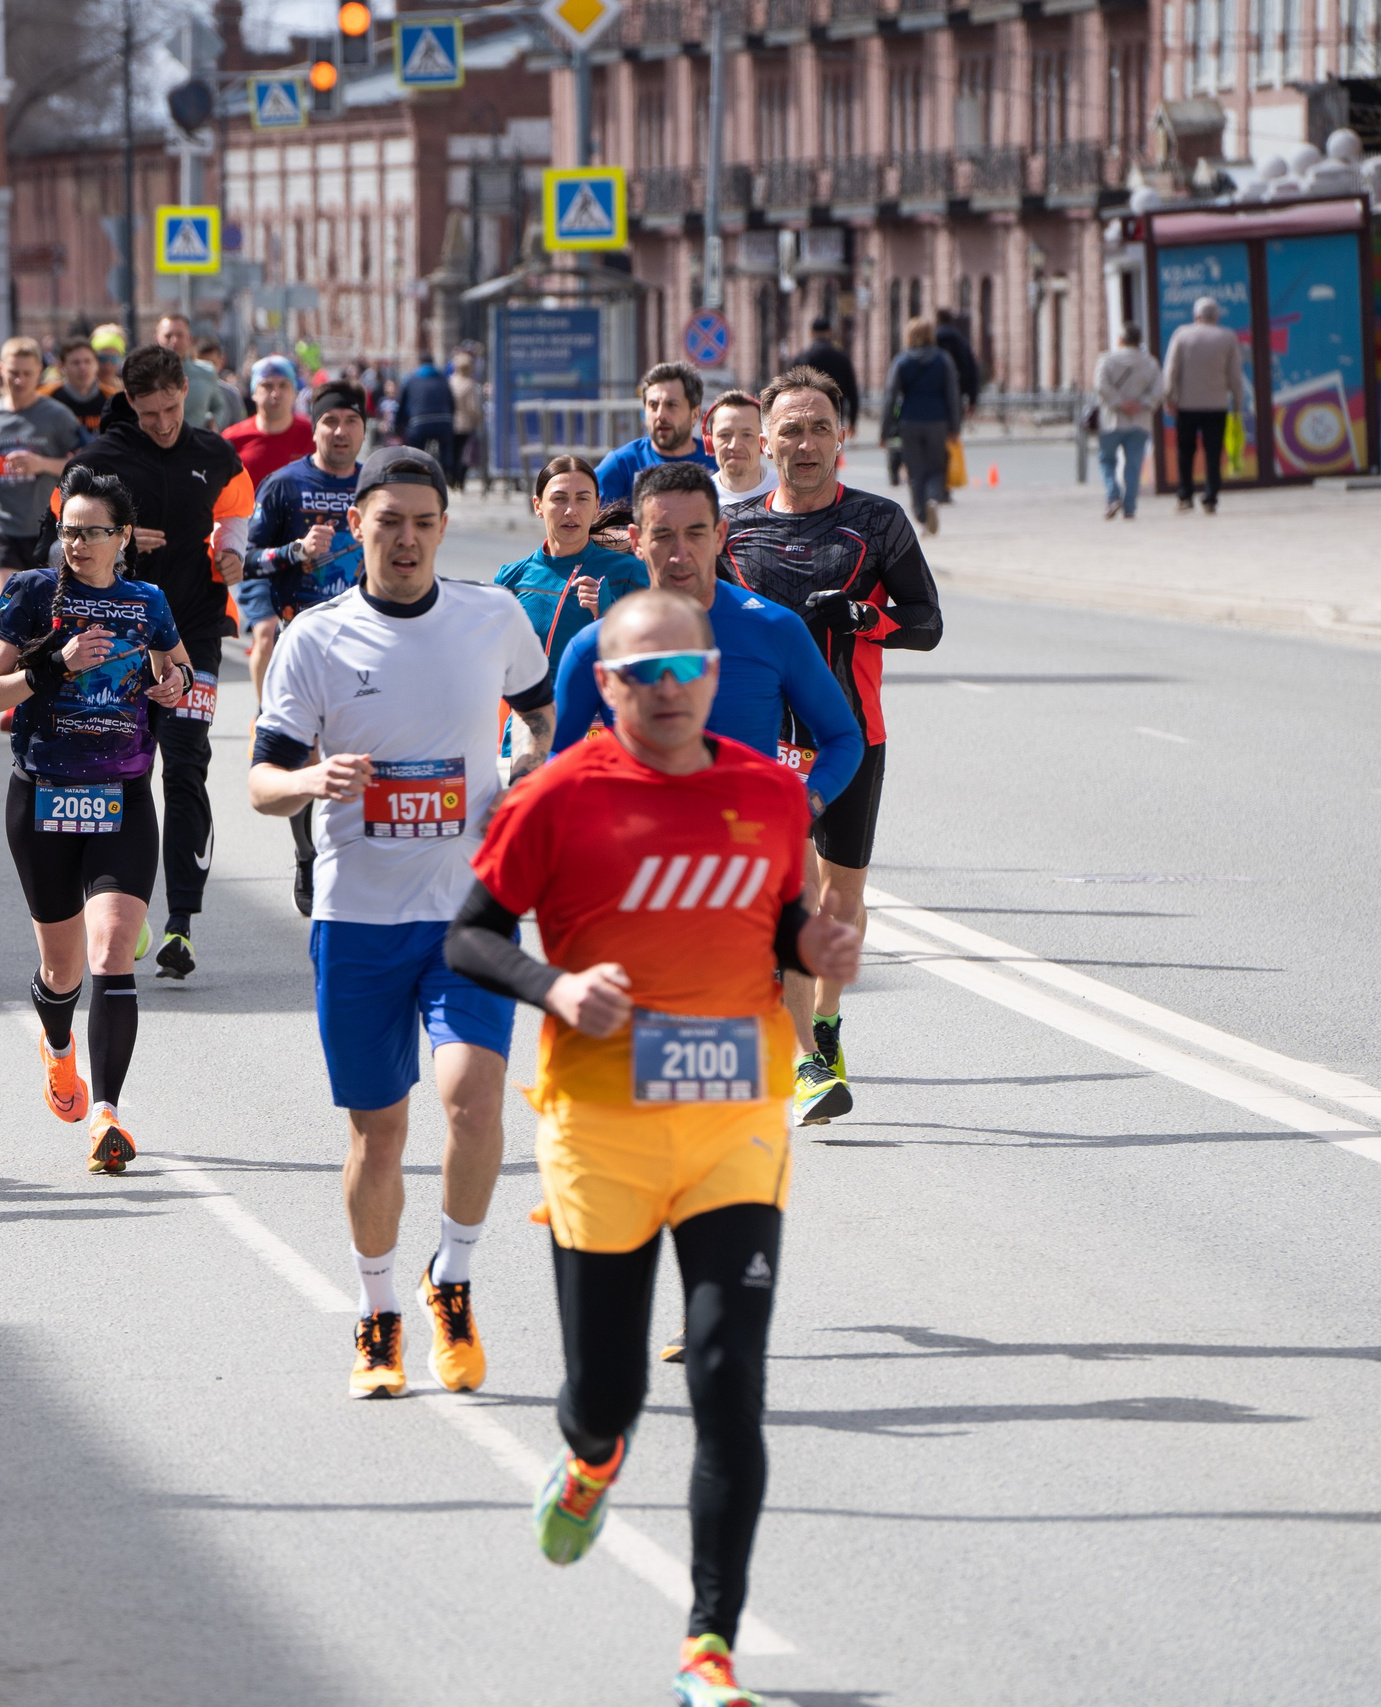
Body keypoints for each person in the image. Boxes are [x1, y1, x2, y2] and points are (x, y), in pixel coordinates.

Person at [445, 587, 863, 1707]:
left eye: (689, 670)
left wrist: (811, 937)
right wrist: (555, 984)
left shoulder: (769, 793)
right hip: (601, 1128)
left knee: (730, 1383)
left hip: (735, 1119)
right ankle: (588, 1460)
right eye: (646, 675)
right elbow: (472, 940)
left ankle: (706, 1647)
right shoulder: (558, 797)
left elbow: (772, 915)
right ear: (610, 685)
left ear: (715, 678)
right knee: (609, 1393)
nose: (671, 690)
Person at [247, 446, 554, 1400]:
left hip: (469, 912)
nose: (409, 538)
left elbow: (542, 718)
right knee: (378, 1132)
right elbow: (261, 781)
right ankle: (378, 1310)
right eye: (391, 522)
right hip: (360, 919)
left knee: (475, 1103)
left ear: (442, 528)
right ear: (361, 529)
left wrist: (527, 771)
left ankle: (450, 1280)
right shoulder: (316, 638)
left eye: (424, 521)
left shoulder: (492, 618)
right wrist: (312, 779)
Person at [720, 367, 943, 1126]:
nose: (804, 443)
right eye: (790, 429)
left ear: (842, 437)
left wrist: (863, 615)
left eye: (819, 427)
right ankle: (807, 1060)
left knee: (839, 903)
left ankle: (824, 1022)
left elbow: (928, 623)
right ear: (765, 442)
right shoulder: (736, 534)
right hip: (759, 747)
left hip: (850, 737)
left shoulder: (877, 523)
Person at [0, 465, 191, 1172]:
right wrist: (54, 666)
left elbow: (182, 675)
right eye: (70, 530)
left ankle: (107, 1115)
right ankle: (59, 1047)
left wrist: (173, 681)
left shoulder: (146, 600)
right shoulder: (34, 594)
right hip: (42, 794)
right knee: (61, 968)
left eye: (94, 532)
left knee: (112, 949)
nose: (78, 543)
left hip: (122, 794)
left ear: (123, 537)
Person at [59, 344, 255, 981]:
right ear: (131, 403)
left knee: (186, 767)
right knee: (123, 770)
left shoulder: (215, 454)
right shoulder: (100, 461)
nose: (163, 424)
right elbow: (56, 540)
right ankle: (126, 903)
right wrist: (113, 540)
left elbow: (235, 521)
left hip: (192, 635)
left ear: (186, 396)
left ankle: (182, 925)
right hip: (118, 638)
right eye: (149, 414)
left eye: (172, 409)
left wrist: (231, 557)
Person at [546, 458, 860, 822]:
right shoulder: (594, 645)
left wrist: (805, 805)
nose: (680, 555)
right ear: (637, 542)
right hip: (638, 861)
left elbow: (842, 737)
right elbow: (556, 755)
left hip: (745, 857)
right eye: (663, 535)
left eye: (695, 533)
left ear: (720, 536)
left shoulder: (776, 629)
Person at [240, 380, 369, 914]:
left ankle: (357, 854)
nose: (340, 432)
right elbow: (245, 561)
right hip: (299, 632)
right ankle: (305, 852)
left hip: (363, 634)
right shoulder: (284, 485)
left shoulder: (377, 485)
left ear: (364, 428)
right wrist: (296, 551)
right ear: (313, 428)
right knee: (302, 751)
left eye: (350, 422)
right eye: (329, 422)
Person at [495, 454, 647, 693]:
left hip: (597, 721)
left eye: (582, 499)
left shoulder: (629, 572)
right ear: (538, 506)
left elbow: (649, 655)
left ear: (597, 504)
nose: (571, 510)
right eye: (559, 499)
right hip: (530, 720)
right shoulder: (511, 578)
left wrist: (609, 611)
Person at [0, 336, 85, 619]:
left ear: (39, 374)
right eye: (13, 373)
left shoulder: (56, 415)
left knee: (44, 615)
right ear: (0, 370)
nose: (19, 381)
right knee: (9, 612)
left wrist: (41, 463)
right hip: (1, 526)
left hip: (45, 529)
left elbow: (81, 461)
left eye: (27, 374)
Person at [1163, 295, 1246, 515]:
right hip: (1216, 405)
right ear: (1216, 316)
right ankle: (1211, 498)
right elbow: (1235, 375)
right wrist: (1237, 402)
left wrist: (1170, 398)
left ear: (1196, 315)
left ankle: (1185, 495)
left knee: (1185, 452)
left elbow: (1171, 370)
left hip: (1187, 406)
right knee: (1213, 452)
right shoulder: (1227, 337)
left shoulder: (1182, 335)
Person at [881, 317, 962, 533]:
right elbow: (952, 394)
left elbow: (890, 396)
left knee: (915, 472)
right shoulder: (943, 359)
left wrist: (884, 430)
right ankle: (934, 499)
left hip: (909, 421)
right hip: (938, 420)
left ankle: (922, 517)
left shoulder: (901, 361)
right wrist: (955, 427)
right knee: (936, 467)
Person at [594, 362, 716, 504]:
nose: (660, 415)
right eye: (653, 405)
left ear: (695, 414)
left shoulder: (716, 462)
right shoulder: (622, 464)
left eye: (671, 405)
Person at [1092, 323, 1162, 522]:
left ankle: (1113, 497)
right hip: (1139, 422)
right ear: (1140, 341)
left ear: (1120, 340)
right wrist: (1141, 404)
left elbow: (1100, 385)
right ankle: (1130, 507)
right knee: (1133, 465)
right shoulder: (1150, 363)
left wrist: (1120, 403)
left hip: (1111, 421)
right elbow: (1159, 390)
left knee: (1107, 461)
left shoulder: (1107, 360)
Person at [221, 355, 315, 492]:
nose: (275, 394)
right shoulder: (231, 438)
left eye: (283, 385)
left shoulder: (313, 436)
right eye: (267, 386)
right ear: (254, 393)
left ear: (294, 392)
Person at [784, 317, 861, 429]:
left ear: (811, 333)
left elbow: (788, 390)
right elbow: (852, 392)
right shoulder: (842, 358)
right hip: (835, 413)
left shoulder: (801, 359)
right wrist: (852, 421)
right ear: (830, 332)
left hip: (806, 414)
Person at [393, 351, 458, 482]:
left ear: (420, 363)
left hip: (419, 423)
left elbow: (401, 405)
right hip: (443, 422)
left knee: (416, 452)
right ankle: (447, 475)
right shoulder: (443, 379)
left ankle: (416, 475)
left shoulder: (411, 379)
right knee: (446, 446)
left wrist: (397, 426)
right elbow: (452, 403)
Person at [704, 390, 777, 505]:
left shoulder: (787, 492)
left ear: (764, 442)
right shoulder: (700, 498)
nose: (735, 446)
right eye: (724, 435)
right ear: (709, 441)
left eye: (747, 435)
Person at [155, 315, 225, 431]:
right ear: (157, 338)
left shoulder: (207, 372)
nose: (174, 341)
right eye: (168, 336)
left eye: (180, 335)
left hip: (197, 444)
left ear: (190, 339)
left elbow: (219, 406)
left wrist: (215, 425)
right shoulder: (147, 375)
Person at [43, 337, 110, 435]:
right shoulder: (47, 397)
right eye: (76, 363)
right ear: (62, 366)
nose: (82, 368)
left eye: (87, 361)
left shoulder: (112, 398)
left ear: (96, 364)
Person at [448, 345, 483, 492]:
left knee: (452, 452)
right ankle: (460, 481)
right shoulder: (470, 384)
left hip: (450, 422)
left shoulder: (450, 381)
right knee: (464, 454)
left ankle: (451, 479)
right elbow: (473, 407)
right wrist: (478, 419)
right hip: (465, 423)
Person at [934, 310, 983, 414]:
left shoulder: (931, 342)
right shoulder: (962, 342)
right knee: (954, 429)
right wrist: (972, 400)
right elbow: (972, 372)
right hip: (957, 394)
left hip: (933, 396)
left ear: (936, 321)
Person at [195, 336, 247, 430]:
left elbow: (240, 429)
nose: (207, 371)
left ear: (221, 362)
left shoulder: (232, 396)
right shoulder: (185, 394)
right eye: (202, 365)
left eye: (211, 364)